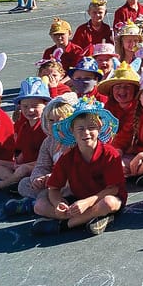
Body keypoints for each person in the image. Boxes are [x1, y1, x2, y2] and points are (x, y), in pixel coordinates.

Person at [32, 96, 125, 236]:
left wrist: (87, 202)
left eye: (91, 127)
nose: (86, 133)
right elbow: (54, 188)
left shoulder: (110, 154)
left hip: (103, 198)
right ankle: (93, 217)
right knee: (39, 206)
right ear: (72, 132)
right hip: (77, 199)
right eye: (80, 129)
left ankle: (66, 225)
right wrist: (58, 204)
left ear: (99, 128)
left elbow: (113, 189)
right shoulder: (67, 157)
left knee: (108, 203)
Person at [0, 77, 50, 191]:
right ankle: (13, 181)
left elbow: (48, 159)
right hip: (25, 166)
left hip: (42, 167)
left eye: (35, 106)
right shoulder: (24, 126)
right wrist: (17, 162)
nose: (30, 110)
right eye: (25, 106)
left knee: (23, 169)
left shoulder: (47, 127)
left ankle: (2, 184)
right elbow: (24, 150)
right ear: (20, 107)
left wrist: (22, 166)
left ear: (46, 105)